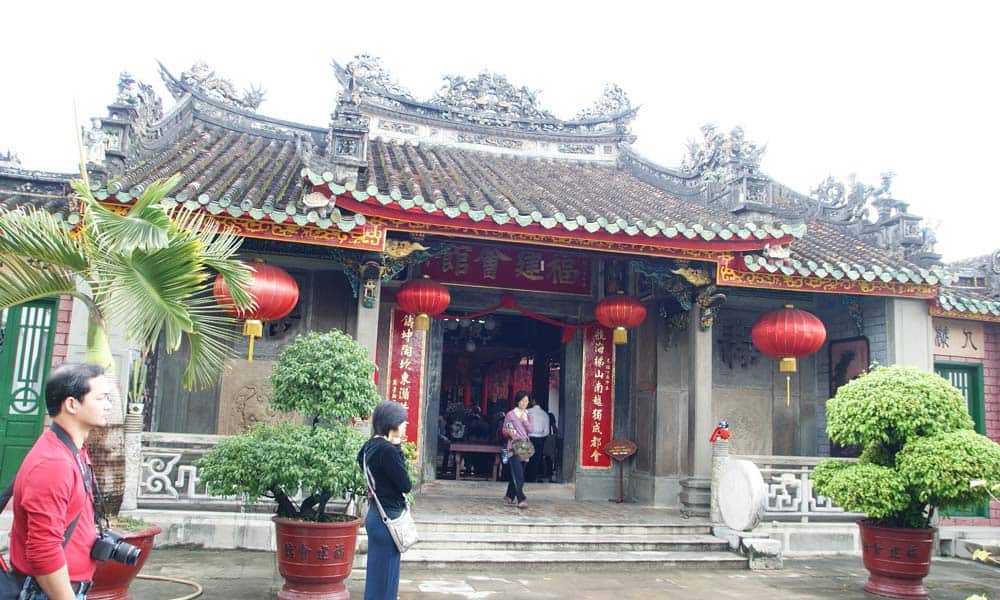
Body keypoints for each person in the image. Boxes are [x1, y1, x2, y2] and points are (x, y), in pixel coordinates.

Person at [9, 363, 113, 600]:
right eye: (101, 398)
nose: (108, 405)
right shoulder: (54, 464)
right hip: (44, 593)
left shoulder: (73, 450)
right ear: (71, 404)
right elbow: (43, 551)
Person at [357, 401, 412, 600]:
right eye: (402, 422)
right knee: (387, 580)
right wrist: (397, 448)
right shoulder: (387, 450)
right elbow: (405, 484)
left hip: (375, 515)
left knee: (377, 577)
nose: (405, 425)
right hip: (388, 520)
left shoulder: (369, 445)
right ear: (392, 423)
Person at [502, 390, 532, 509]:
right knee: (519, 474)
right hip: (514, 446)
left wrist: (524, 420)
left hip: (525, 447)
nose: (525, 403)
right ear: (517, 401)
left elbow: (531, 430)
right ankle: (521, 499)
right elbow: (504, 430)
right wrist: (508, 432)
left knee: (517, 472)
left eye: (527, 401)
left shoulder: (529, 414)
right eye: (522, 401)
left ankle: (509, 495)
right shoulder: (510, 414)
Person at [526, 398, 549, 483]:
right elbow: (546, 432)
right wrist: (540, 436)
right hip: (539, 440)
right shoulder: (545, 414)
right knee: (535, 461)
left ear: (533, 401)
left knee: (525, 459)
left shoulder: (527, 411)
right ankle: (532, 479)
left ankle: (523, 478)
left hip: (528, 438)